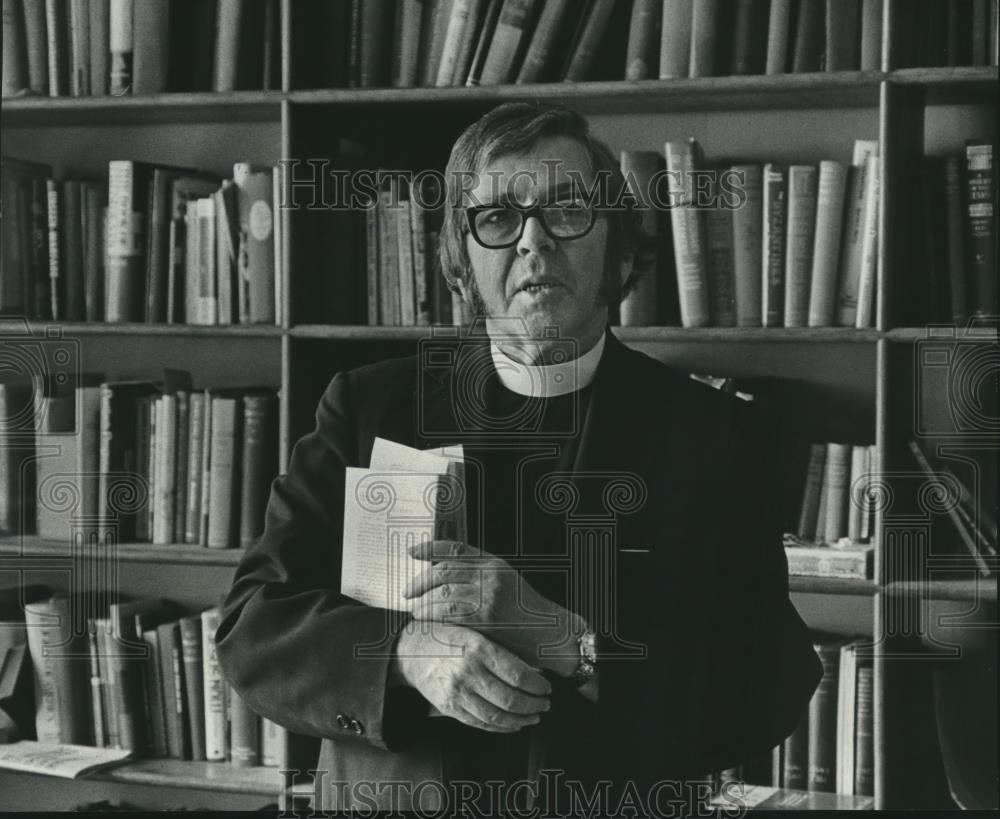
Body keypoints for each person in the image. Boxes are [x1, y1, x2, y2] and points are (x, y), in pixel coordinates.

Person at [216, 103, 821, 816]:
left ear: (617, 245)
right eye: (498, 218)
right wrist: (407, 654)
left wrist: (562, 637)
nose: (534, 242)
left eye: (567, 210)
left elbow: (769, 688)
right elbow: (254, 627)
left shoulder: (716, 434)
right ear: (462, 257)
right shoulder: (367, 408)